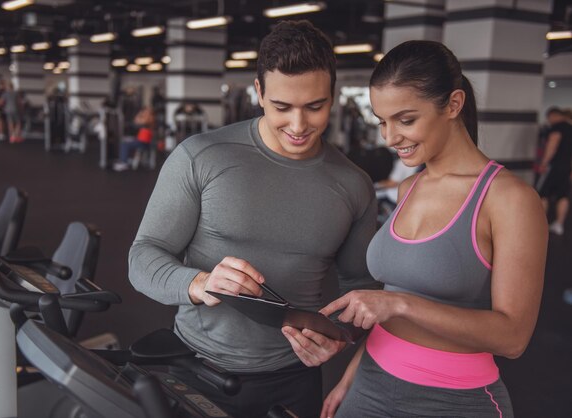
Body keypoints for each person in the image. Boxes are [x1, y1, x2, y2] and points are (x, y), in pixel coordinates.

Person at [128, 20, 378, 418]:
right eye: (282, 107)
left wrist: (342, 337)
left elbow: (361, 289)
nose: (299, 126)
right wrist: (198, 282)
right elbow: (143, 257)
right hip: (196, 369)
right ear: (259, 92)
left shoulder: (354, 185)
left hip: (294, 380)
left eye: (315, 107)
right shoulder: (201, 156)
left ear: (332, 97)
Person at [311, 40, 547, 418]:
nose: (390, 137)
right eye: (382, 121)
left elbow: (513, 337)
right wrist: (349, 380)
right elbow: (391, 294)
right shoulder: (410, 187)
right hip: (370, 381)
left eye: (405, 120)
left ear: (453, 104)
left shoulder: (508, 199)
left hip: (454, 400)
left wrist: (401, 305)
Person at [536, 107, 572, 235]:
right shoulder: (570, 127)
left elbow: (552, 145)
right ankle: (559, 224)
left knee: (542, 193)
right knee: (563, 195)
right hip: (566, 167)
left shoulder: (557, 128)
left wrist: (544, 163)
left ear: (553, 115)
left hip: (553, 167)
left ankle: (540, 223)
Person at [113, 106, 156, 172]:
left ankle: (124, 163)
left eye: (146, 111)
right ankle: (124, 159)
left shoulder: (150, 118)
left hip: (144, 143)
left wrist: (140, 113)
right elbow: (136, 121)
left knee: (125, 144)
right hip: (140, 140)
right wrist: (141, 114)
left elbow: (139, 121)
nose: (145, 112)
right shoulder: (147, 117)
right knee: (124, 140)